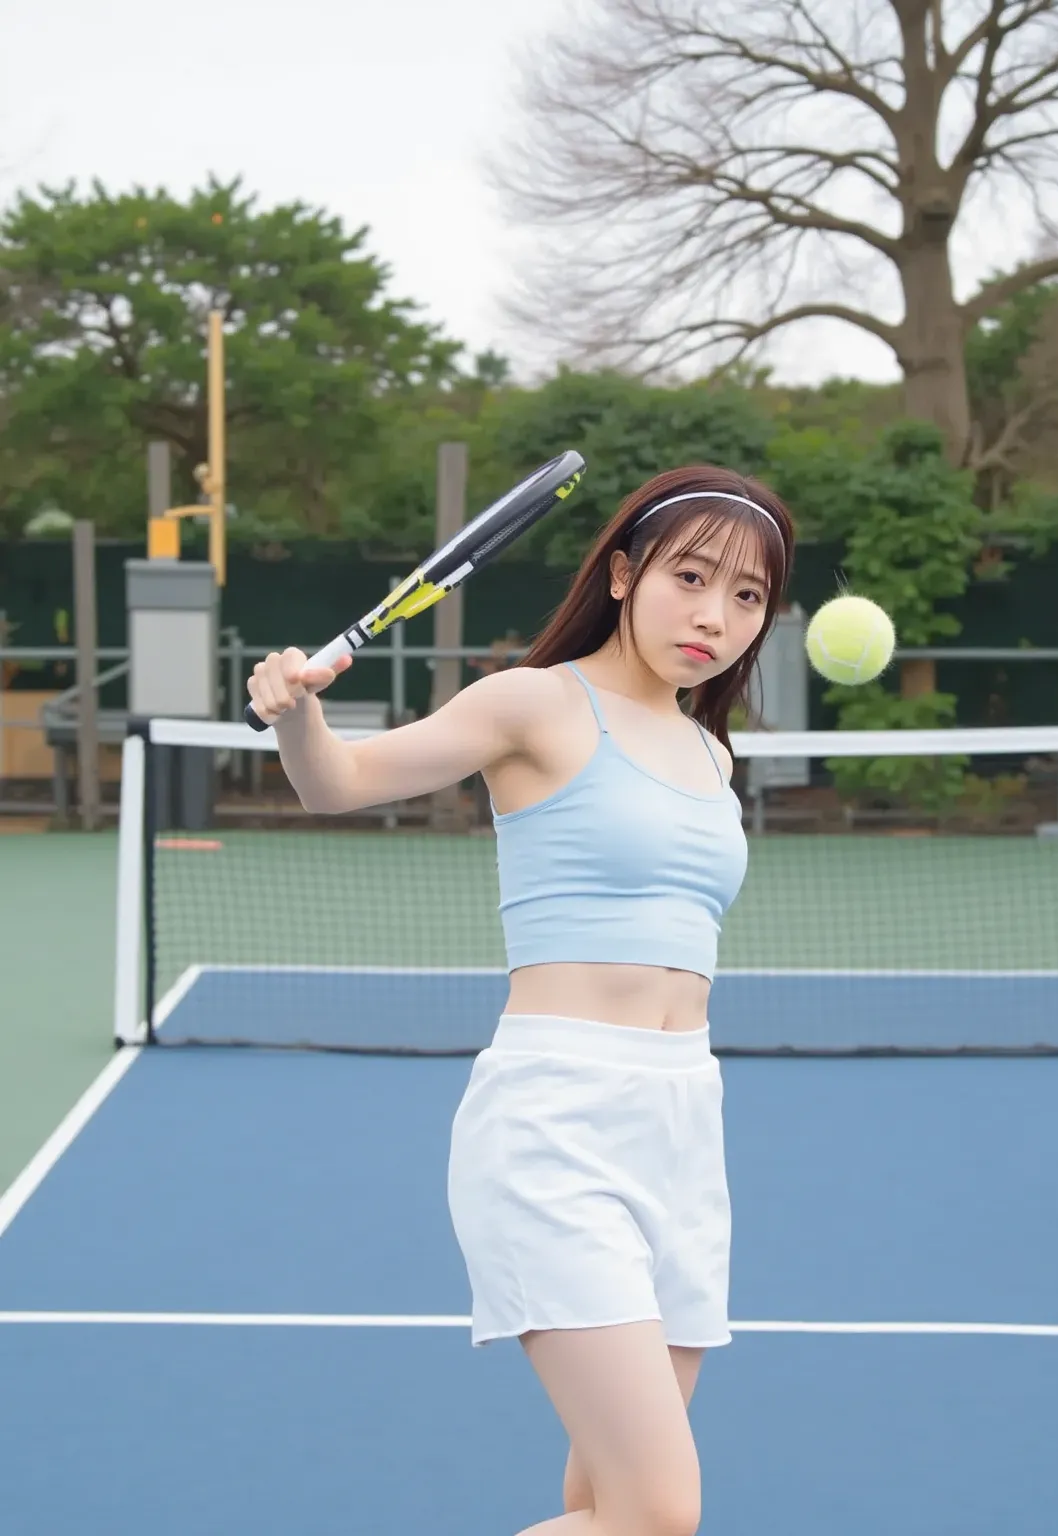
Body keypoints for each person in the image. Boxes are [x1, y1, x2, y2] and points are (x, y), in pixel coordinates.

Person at [246, 464, 796, 1536]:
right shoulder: (535, 704)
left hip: (684, 1124)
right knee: (656, 1513)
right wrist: (297, 718)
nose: (714, 616)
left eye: (747, 597)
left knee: (598, 1496)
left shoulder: (708, 753)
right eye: (691, 576)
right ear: (626, 574)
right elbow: (340, 783)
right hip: (557, 1123)